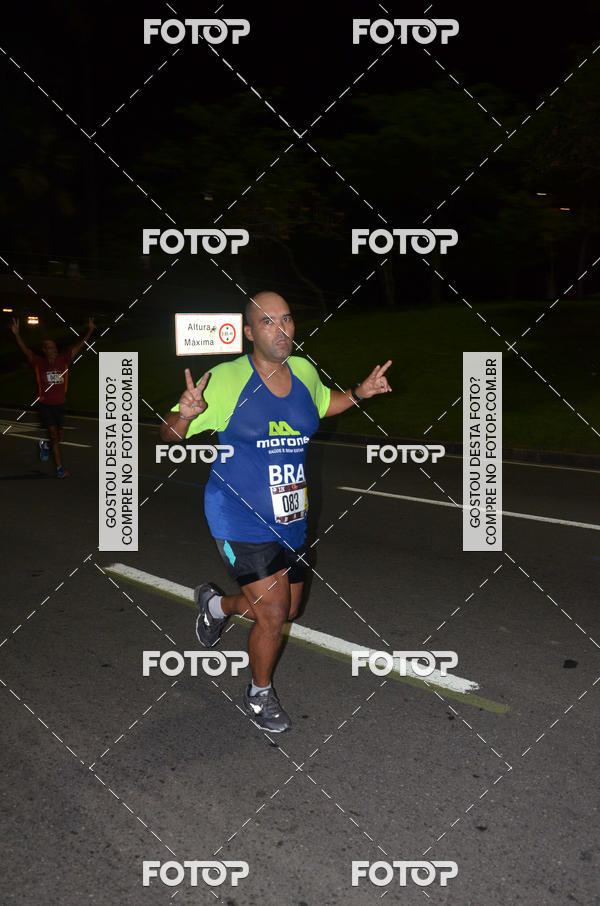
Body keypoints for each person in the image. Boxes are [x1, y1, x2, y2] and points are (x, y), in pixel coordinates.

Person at [160, 292, 391, 732]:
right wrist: (185, 416)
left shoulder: (303, 370)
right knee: (271, 614)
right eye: (268, 322)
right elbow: (169, 434)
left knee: (288, 611)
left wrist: (359, 393)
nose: (281, 329)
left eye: (287, 319)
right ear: (249, 332)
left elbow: (324, 404)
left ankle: (217, 607)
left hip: (291, 517)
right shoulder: (225, 380)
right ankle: (258, 693)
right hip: (238, 516)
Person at [10, 316, 96, 478]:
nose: (54, 350)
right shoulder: (39, 363)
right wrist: (16, 335)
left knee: (59, 438)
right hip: (45, 406)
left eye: (55, 347)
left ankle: (45, 445)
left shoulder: (64, 360)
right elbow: (25, 350)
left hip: (60, 405)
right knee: (55, 436)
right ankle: (60, 468)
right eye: (50, 348)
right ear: (44, 350)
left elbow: (80, 346)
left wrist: (90, 330)